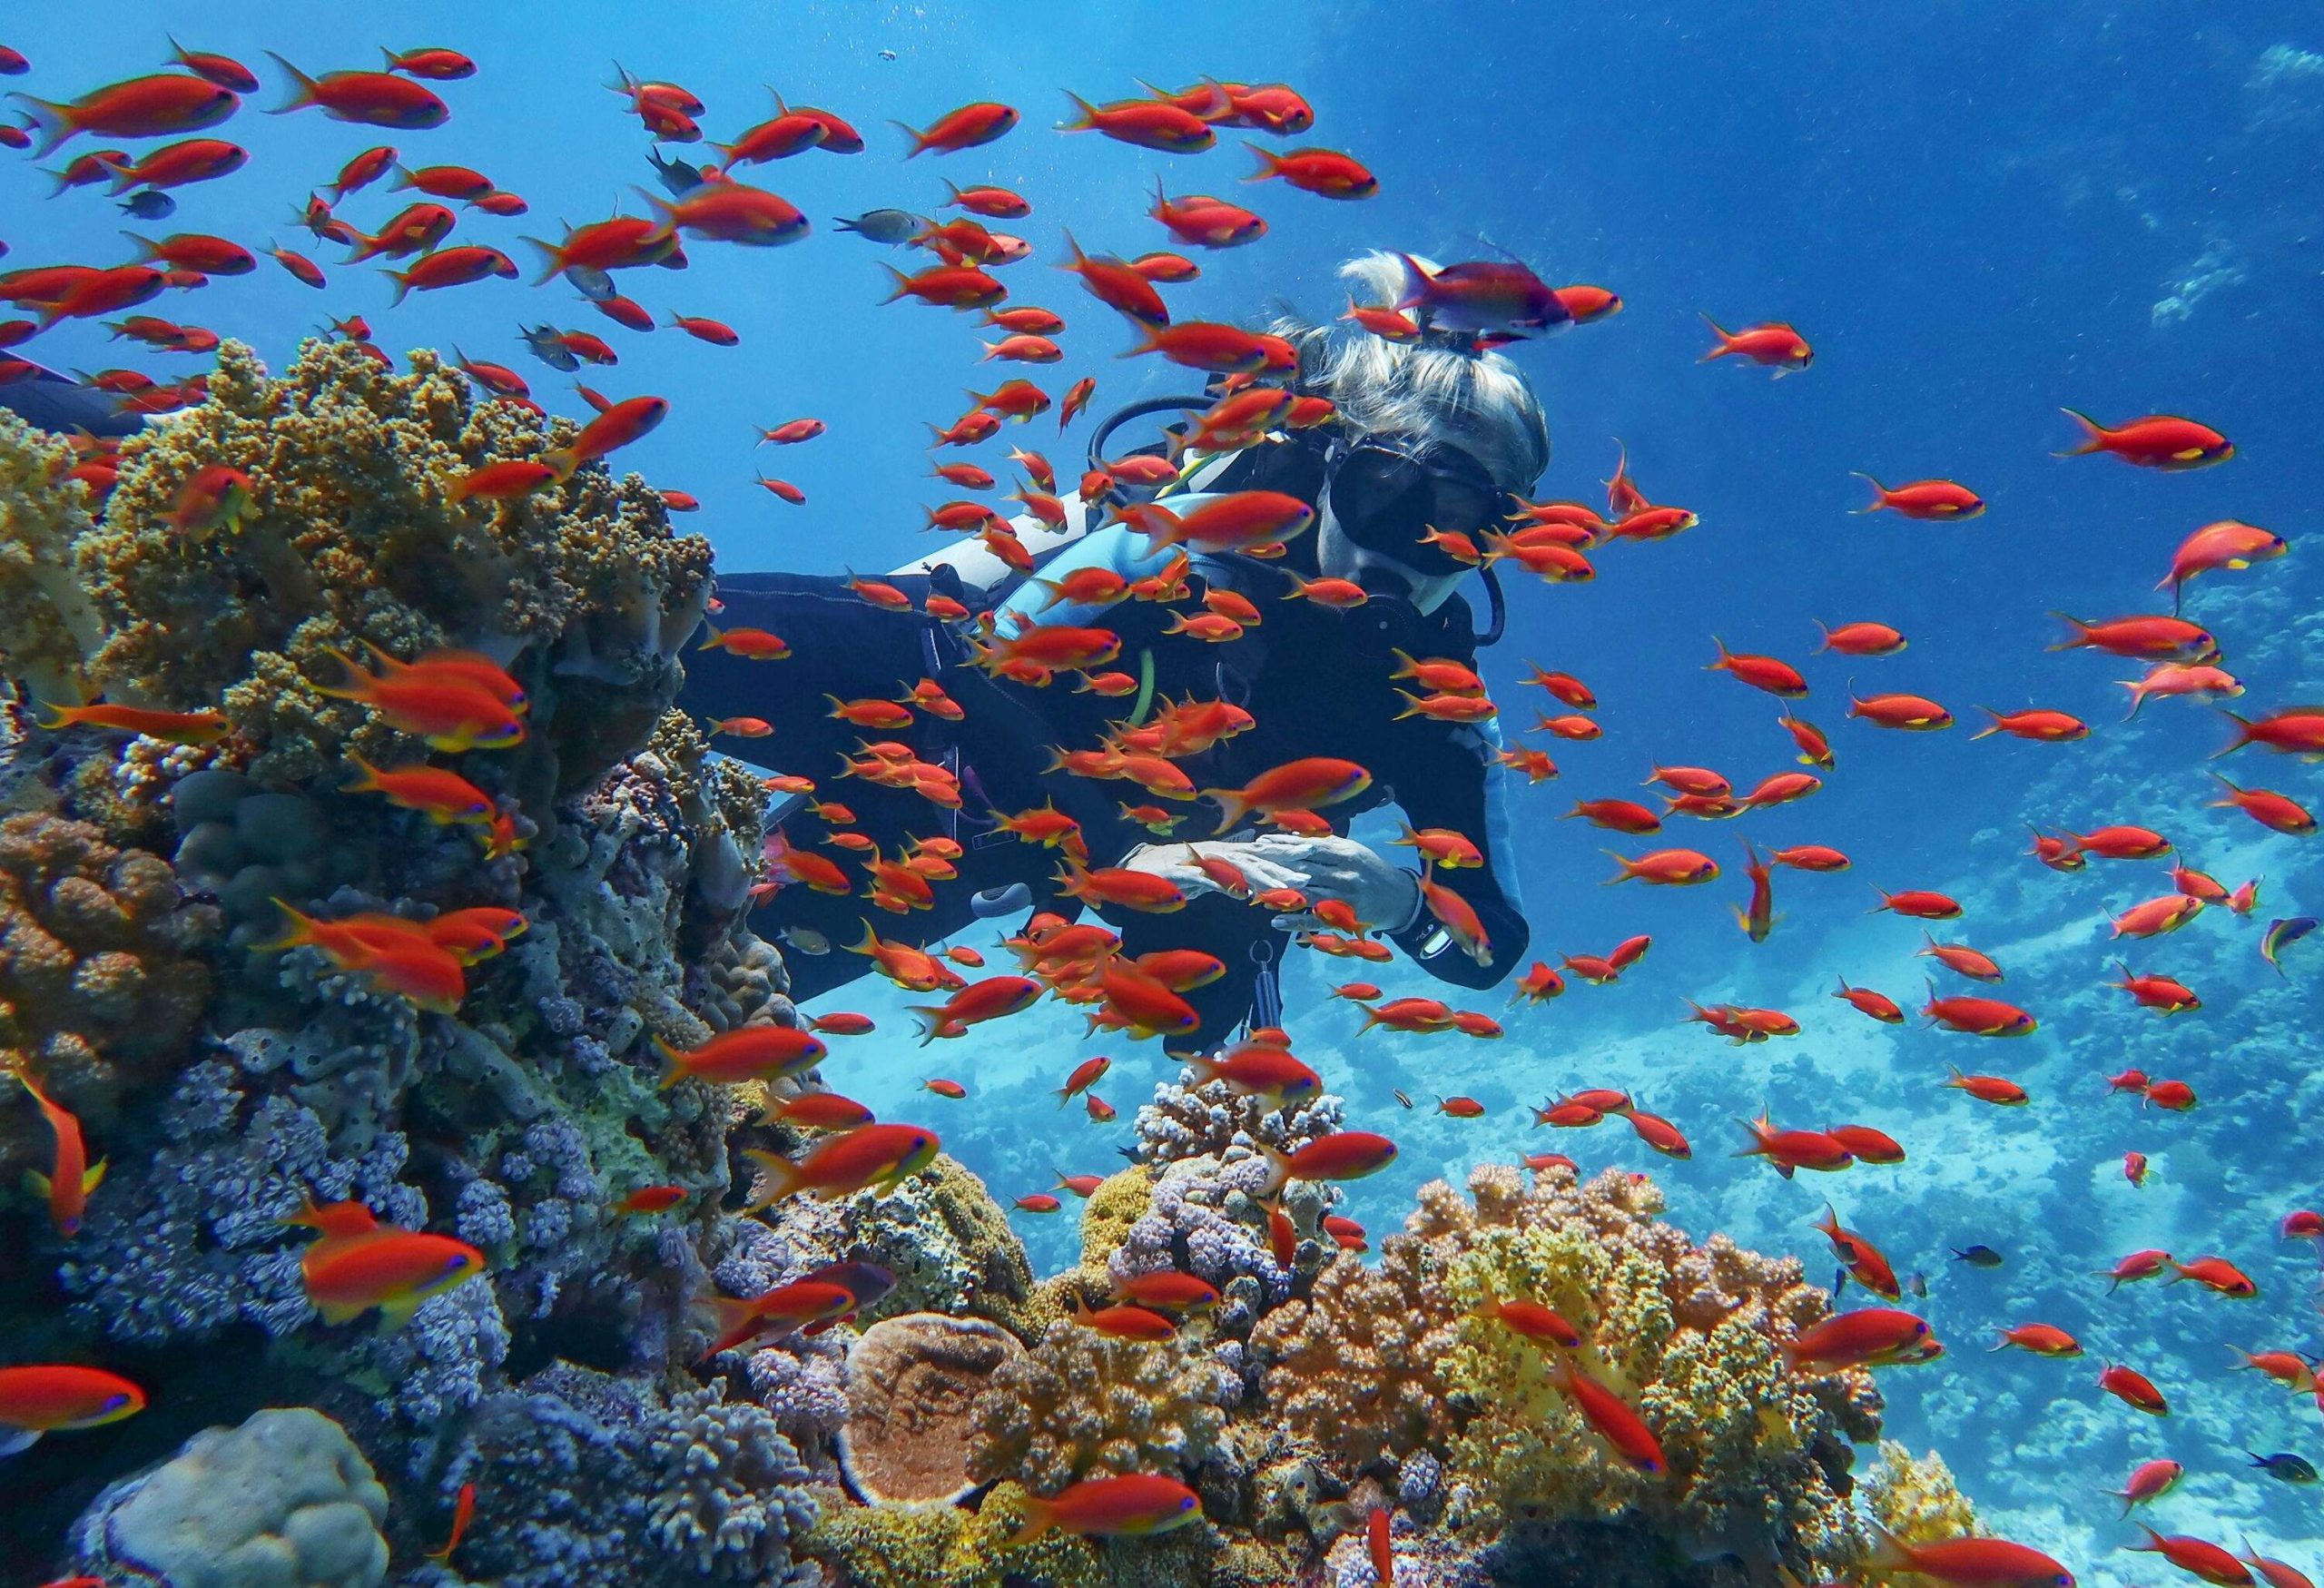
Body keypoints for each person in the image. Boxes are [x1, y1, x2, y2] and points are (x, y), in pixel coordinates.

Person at [684, 251, 1549, 1042]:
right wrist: (1123, 851)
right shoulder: (1215, 514)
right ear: (1329, 463)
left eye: (1466, 527)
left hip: (998, 849)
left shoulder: (1437, 698)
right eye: (1386, 493)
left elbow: (1491, 941)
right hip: (939, 692)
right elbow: (990, 651)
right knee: (660, 626)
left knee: (701, 993)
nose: (1409, 549)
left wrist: (1401, 904)